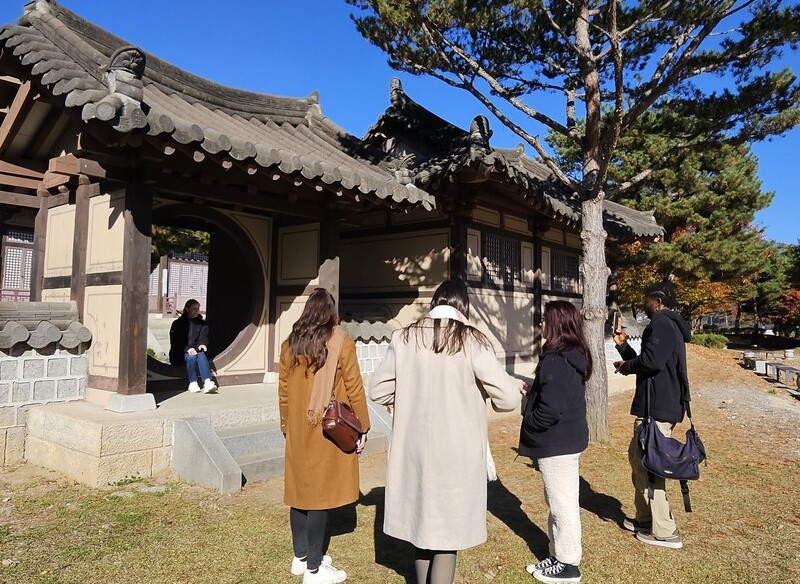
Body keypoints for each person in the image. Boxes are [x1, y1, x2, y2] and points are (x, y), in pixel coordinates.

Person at [369, 279, 522, 584]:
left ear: (434, 303)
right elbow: (507, 398)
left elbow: (378, 390)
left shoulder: (404, 337)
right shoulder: (472, 340)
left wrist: (404, 397)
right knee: (446, 536)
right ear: (464, 307)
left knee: (421, 528)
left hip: (412, 450)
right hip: (456, 453)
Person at [279, 288, 370, 584]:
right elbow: (354, 386)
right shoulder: (340, 341)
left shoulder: (289, 344)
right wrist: (363, 426)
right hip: (326, 428)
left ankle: (301, 557)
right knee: (317, 497)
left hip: (297, 427)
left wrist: (285, 426)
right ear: (331, 312)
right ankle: (314, 570)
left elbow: (283, 391)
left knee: (299, 493)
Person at [613, 285, 692, 549]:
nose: (644, 303)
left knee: (651, 467)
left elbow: (652, 362)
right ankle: (645, 519)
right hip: (655, 406)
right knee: (638, 459)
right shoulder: (667, 325)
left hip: (657, 408)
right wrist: (624, 350)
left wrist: (626, 367)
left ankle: (666, 531)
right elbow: (649, 361)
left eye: (647, 299)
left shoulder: (662, 323)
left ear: (657, 301)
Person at [519, 301, 591, 583]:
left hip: (557, 443)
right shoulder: (570, 354)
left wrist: (531, 423)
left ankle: (568, 564)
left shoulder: (557, 358)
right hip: (567, 440)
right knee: (558, 501)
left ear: (556, 323)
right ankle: (557, 553)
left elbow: (551, 409)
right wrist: (534, 392)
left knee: (563, 504)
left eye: (544, 319)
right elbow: (556, 396)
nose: (540, 324)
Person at [169, 299, 217, 394]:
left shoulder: (202, 324)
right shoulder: (177, 324)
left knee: (201, 354)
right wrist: (187, 349)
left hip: (196, 352)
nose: (197, 311)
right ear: (187, 309)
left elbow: (203, 338)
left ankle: (207, 382)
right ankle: (193, 382)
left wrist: (203, 344)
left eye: (198, 309)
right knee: (192, 355)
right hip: (180, 354)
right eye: (194, 308)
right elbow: (176, 342)